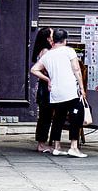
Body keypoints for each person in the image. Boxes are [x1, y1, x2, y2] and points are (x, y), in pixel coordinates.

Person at [30, 28, 88, 158]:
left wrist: (48, 79)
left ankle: (57, 146)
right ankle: (73, 147)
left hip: (55, 92)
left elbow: (34, 69)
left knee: (58, 118)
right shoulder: (69, 51)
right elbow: (77, 70)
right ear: (65, 40)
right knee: (76, 116)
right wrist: (82, 88)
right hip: (70, 90)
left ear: (54, 39)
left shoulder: (48, 54)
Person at [31, 27, 54, 153]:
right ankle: (41, 144)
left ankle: (42, 142)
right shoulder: (45, 51)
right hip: (45, 88)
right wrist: (48, 79)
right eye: (52, 34)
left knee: (45, 115)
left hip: (43, 86)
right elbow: (40, 70)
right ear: (47, 38)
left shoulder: (43, 50)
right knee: (46, 116)